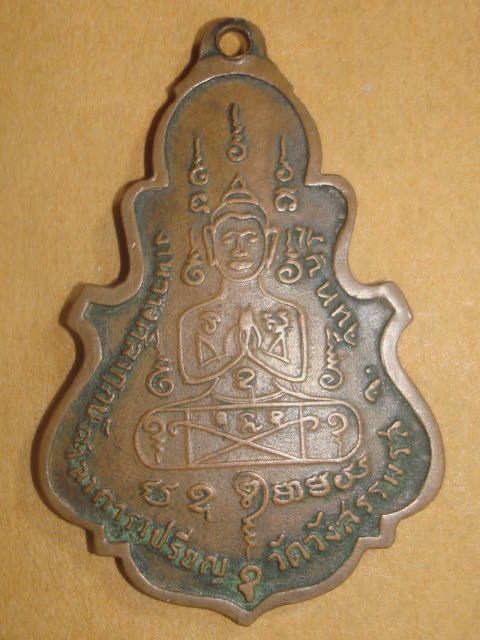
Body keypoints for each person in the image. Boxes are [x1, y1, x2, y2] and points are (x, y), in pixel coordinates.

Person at [179, 176, 306, 402]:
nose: (240, 250)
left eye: (251, 240)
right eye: (228, 240)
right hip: (212, 410)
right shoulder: (194, 318)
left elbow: (296, 372)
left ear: (270, 243)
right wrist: (239, 347)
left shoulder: (287, 313)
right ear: (211, 243)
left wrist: (250, 347)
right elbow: (191, 375)